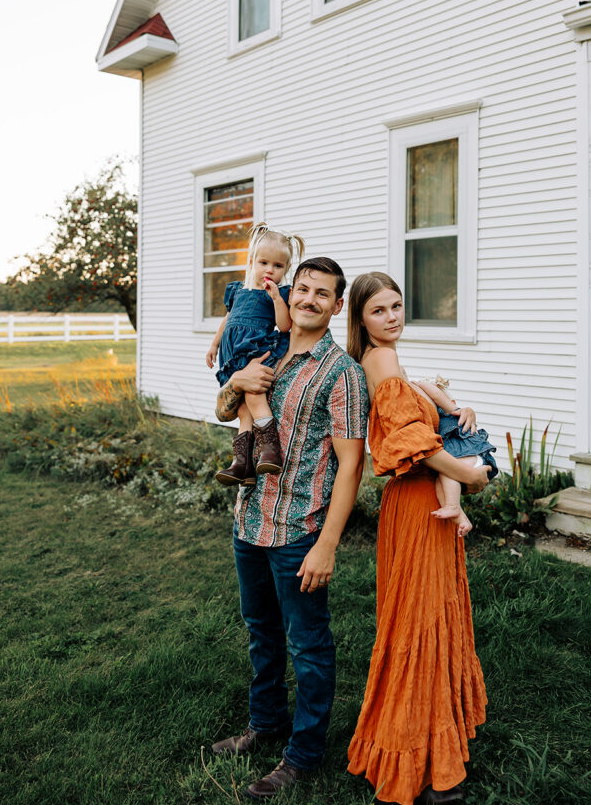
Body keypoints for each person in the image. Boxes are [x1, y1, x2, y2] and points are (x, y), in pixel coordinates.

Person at [211, 257, 369, 801]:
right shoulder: (266, 346)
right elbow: (227, 411)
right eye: (302, 289)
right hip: (249, 519)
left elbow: (353, 466)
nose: (308, 300)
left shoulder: (342, 373)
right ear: (290, 292)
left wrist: (328, 544)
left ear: (336, 305)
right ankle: (266, 723)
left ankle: (302, 755)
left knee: (309, 645)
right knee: (261, 632)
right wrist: (235, 378)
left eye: (321, 294)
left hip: (300, 529)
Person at [346, 272, 491, 805]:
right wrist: (469, 475)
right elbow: (412, 441)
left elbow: (421, 417)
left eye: (398, 306)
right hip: (416, 504)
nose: (392, 317)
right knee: (422, 619)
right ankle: (416, 761)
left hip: (415, 505)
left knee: (425, 616)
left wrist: (451, 407)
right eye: (379, 310)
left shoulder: (390, 360)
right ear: (360, 319)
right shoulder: (380, 361)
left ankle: (427, 745)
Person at [206, 223, 305, 486]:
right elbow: (227, 319)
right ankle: (243, 465)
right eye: (264, 262)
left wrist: (276, 299)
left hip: (255, 352)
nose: (270, 270)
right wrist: (214, 344)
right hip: (233, 357)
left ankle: (270, 448)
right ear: (252, 261)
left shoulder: (279, 293)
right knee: (242, 409)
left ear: (285, 269)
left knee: (253, 394)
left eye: (278, 266)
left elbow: (284, 325)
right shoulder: (238, 290)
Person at [408, 376, 498, 536]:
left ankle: (453, 506)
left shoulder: (449, 413)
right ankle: (460, 518)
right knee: (441, 482)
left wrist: (420, 384)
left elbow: (436, 394)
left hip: (469, 455)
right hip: (466, 458)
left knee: (447, 472)